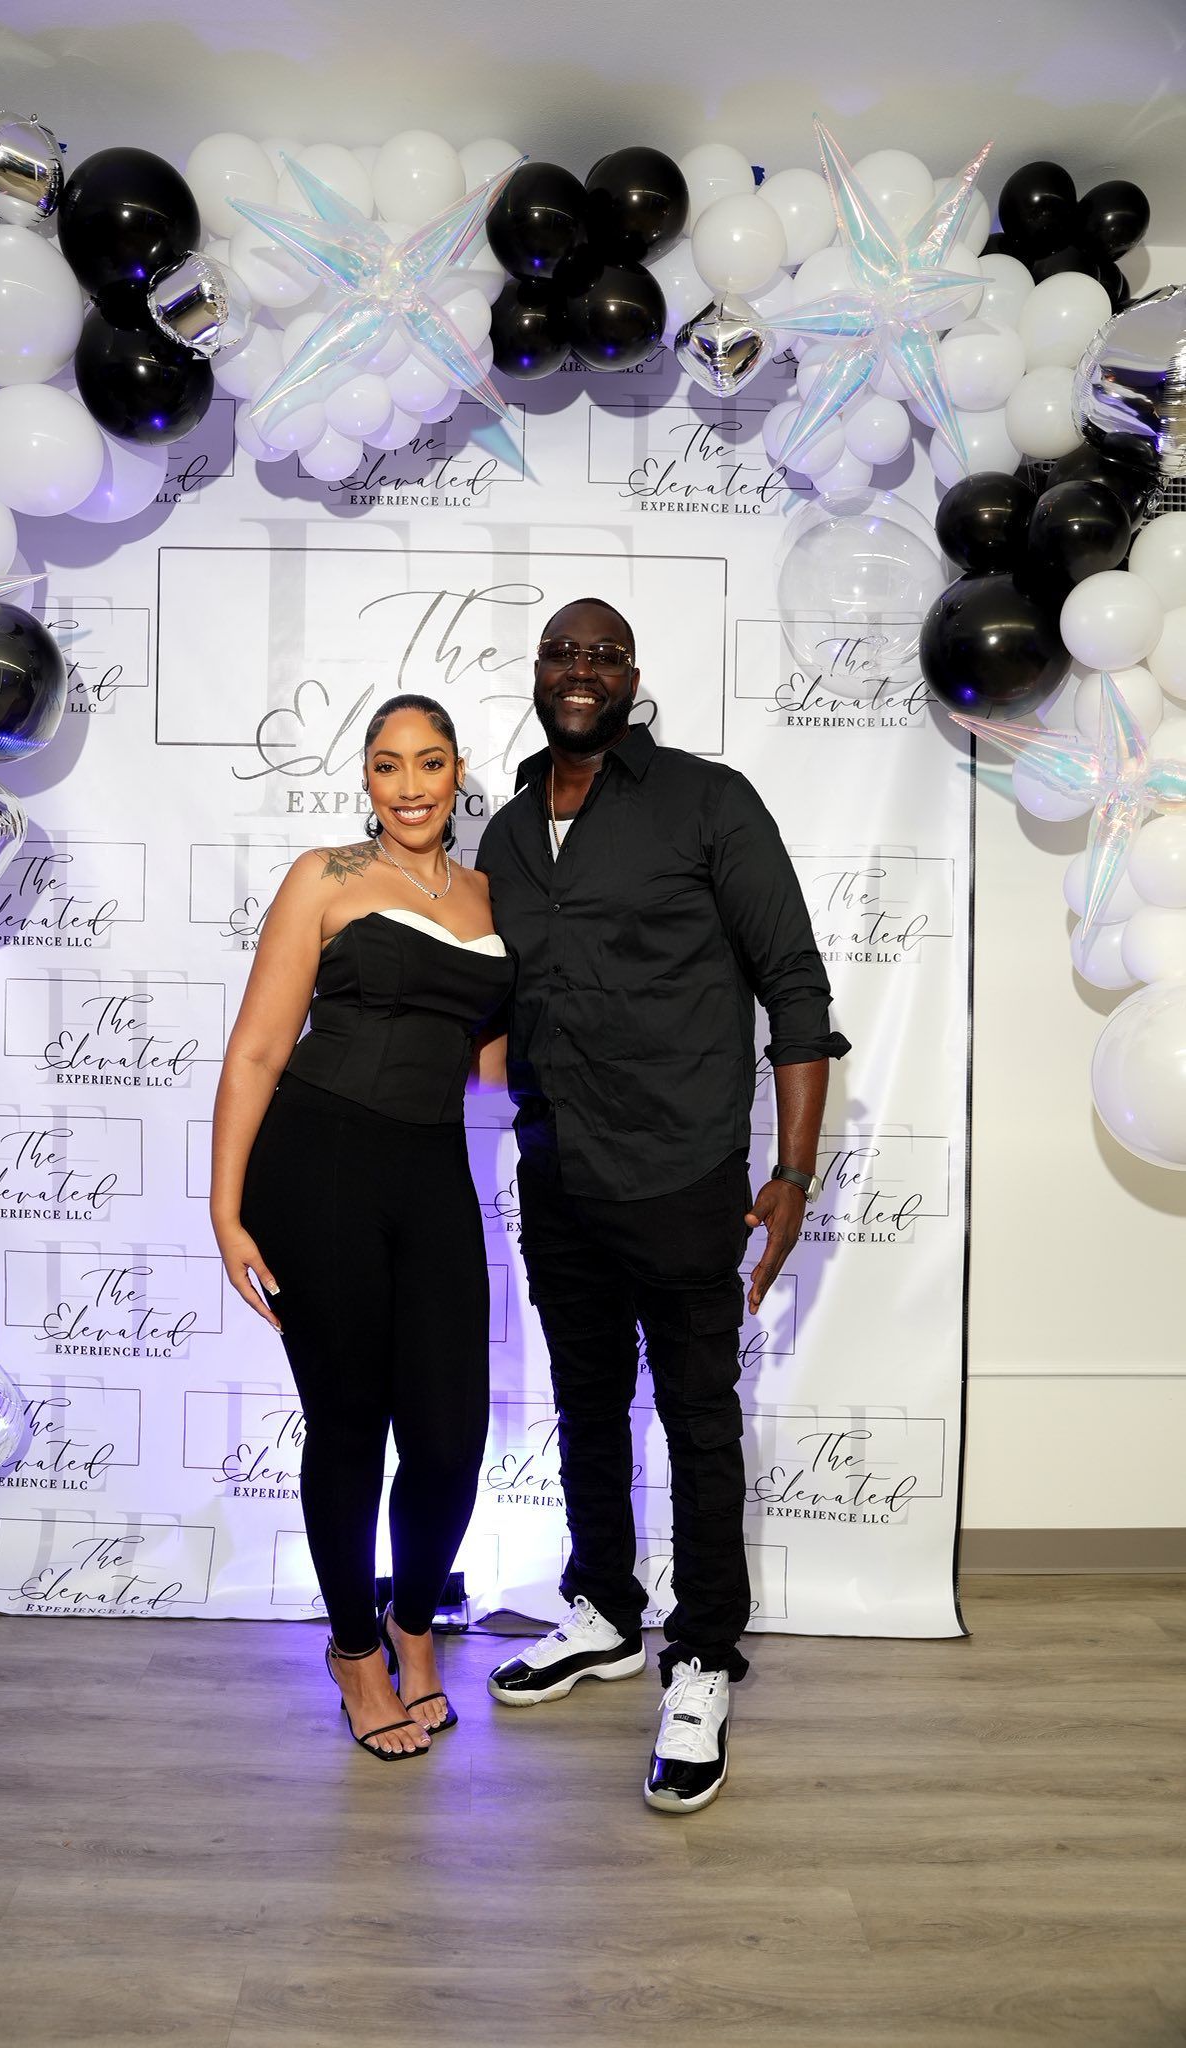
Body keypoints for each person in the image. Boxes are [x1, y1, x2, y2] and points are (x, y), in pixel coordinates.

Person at [476, 599, 849, 1814]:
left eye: (602, 653)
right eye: (559, 652)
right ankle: (602, 1608)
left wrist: (790, 1174)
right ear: (536, 673)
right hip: (559, 1169)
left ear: (631, 675)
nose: (579, 669)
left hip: (685, 1171)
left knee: (693, 1411)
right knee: (586, 1400)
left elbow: (792, 983)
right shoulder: (506, 833)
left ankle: (700, 1655)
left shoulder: (707, 799)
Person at [210, 694, 513, 1761]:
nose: (412, 784)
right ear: (367, 781)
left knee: (449, 1438)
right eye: (389, 766)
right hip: (317, 1166)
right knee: (348, 1426)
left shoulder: (491, 894)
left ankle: (412, 1621)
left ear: (458, 770)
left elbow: (488, 1066)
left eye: (430, 762)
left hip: (432, 1171)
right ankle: (352, 1651)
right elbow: (255, 1050)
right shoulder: (325, 876)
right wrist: (225, 1207)